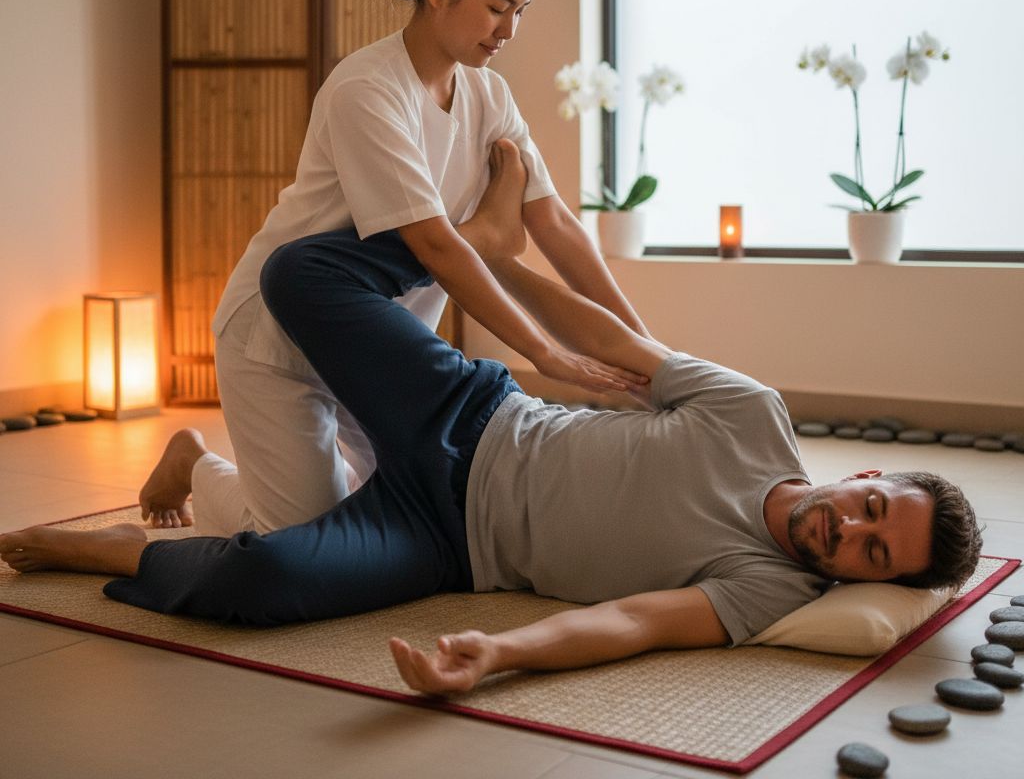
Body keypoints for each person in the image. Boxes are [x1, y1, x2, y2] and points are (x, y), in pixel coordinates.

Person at [0, 144, 982, 696]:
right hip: (473, 410)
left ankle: (115, 539)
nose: (845, 532)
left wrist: (498, 653)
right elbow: (614, 340)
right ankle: (467, 237)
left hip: (442, 542)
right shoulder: (752, 415)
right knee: (300, 270)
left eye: (871, 556)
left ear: (866, 579)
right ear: (866, 479)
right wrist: (491, 264)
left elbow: (631, 620)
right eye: (869, 511)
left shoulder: (768, 588)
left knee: (263, 583)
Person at [153, 0, 649, 538]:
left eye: (521, 12)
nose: (509, 30)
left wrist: (646, 351)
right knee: (307, 542)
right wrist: (545, 353)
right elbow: (435, 248)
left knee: (431, 515)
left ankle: (315, 477)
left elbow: (554, 224)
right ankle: (195, 464)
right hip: (278, 338)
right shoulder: (367, 89)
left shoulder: (489, 94)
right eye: (498, 7)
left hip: (377, 353)